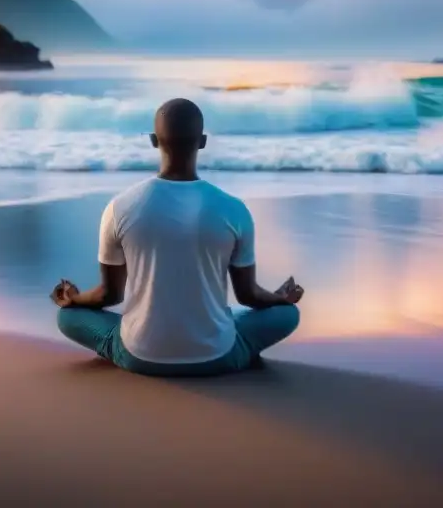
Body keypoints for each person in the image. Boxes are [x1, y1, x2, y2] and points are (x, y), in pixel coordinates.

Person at [52, 98, 304, 377]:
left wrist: (74, 299)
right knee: (287, 314)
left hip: (139, 356)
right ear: (203, 141)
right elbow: (248, 296)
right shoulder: (233, 209)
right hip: (218, 356)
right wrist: (278, 298)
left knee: (68, 316)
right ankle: (232, 347)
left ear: (153, 141)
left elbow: (109, 295)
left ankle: (132, 347)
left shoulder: (119, 207)